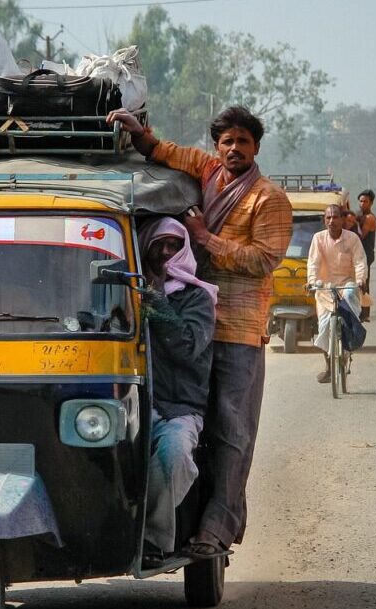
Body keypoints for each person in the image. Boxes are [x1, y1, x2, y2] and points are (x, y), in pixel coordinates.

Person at [107, 105, 292, 557]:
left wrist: (204, 238)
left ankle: (216, 528)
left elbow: (264, 260)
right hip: (190, 316)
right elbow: (168, 153)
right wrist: (139, 135)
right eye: (226, 141)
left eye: (242, 142)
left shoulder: (269, 199)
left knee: (231, 432)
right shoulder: (207, 171)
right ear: (217, 147)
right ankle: (178, 521)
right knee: (186, 424)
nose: (233, 149)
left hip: (237, 329)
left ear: (256, 148)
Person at [139, 217, 217, 565]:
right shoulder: (128, 292)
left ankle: (151, 540)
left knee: (174, 457)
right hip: (132, 406)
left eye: (175, 245)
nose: (167, 252)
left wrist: (157, 304)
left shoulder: (198, 298)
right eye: (160, 245)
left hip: (179, 409)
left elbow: (187, 346)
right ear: (147, 249)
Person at [307, 204, 368, 383]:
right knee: (324, 325)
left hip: (347, 285)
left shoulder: (352, 239)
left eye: (335, 217)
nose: (332, 221)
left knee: (350, 296)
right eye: (328, 218)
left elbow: (360, 262)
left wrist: (360, 280)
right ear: (324, 220)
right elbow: (313, 264)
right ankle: (329, 366)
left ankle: (351, 333)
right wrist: (311, 281)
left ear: (342, 219)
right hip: (325, 288)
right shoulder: (318, 239)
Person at [356, 189, 376, 321]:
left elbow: (360, 235)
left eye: (365, 201)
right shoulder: (361, 216)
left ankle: (365, 313)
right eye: (361, 201)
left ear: (371, 203)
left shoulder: (369, 218)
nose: (362, 204)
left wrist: (353, 222)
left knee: (363, 283)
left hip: (366, 255)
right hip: (359, 254)